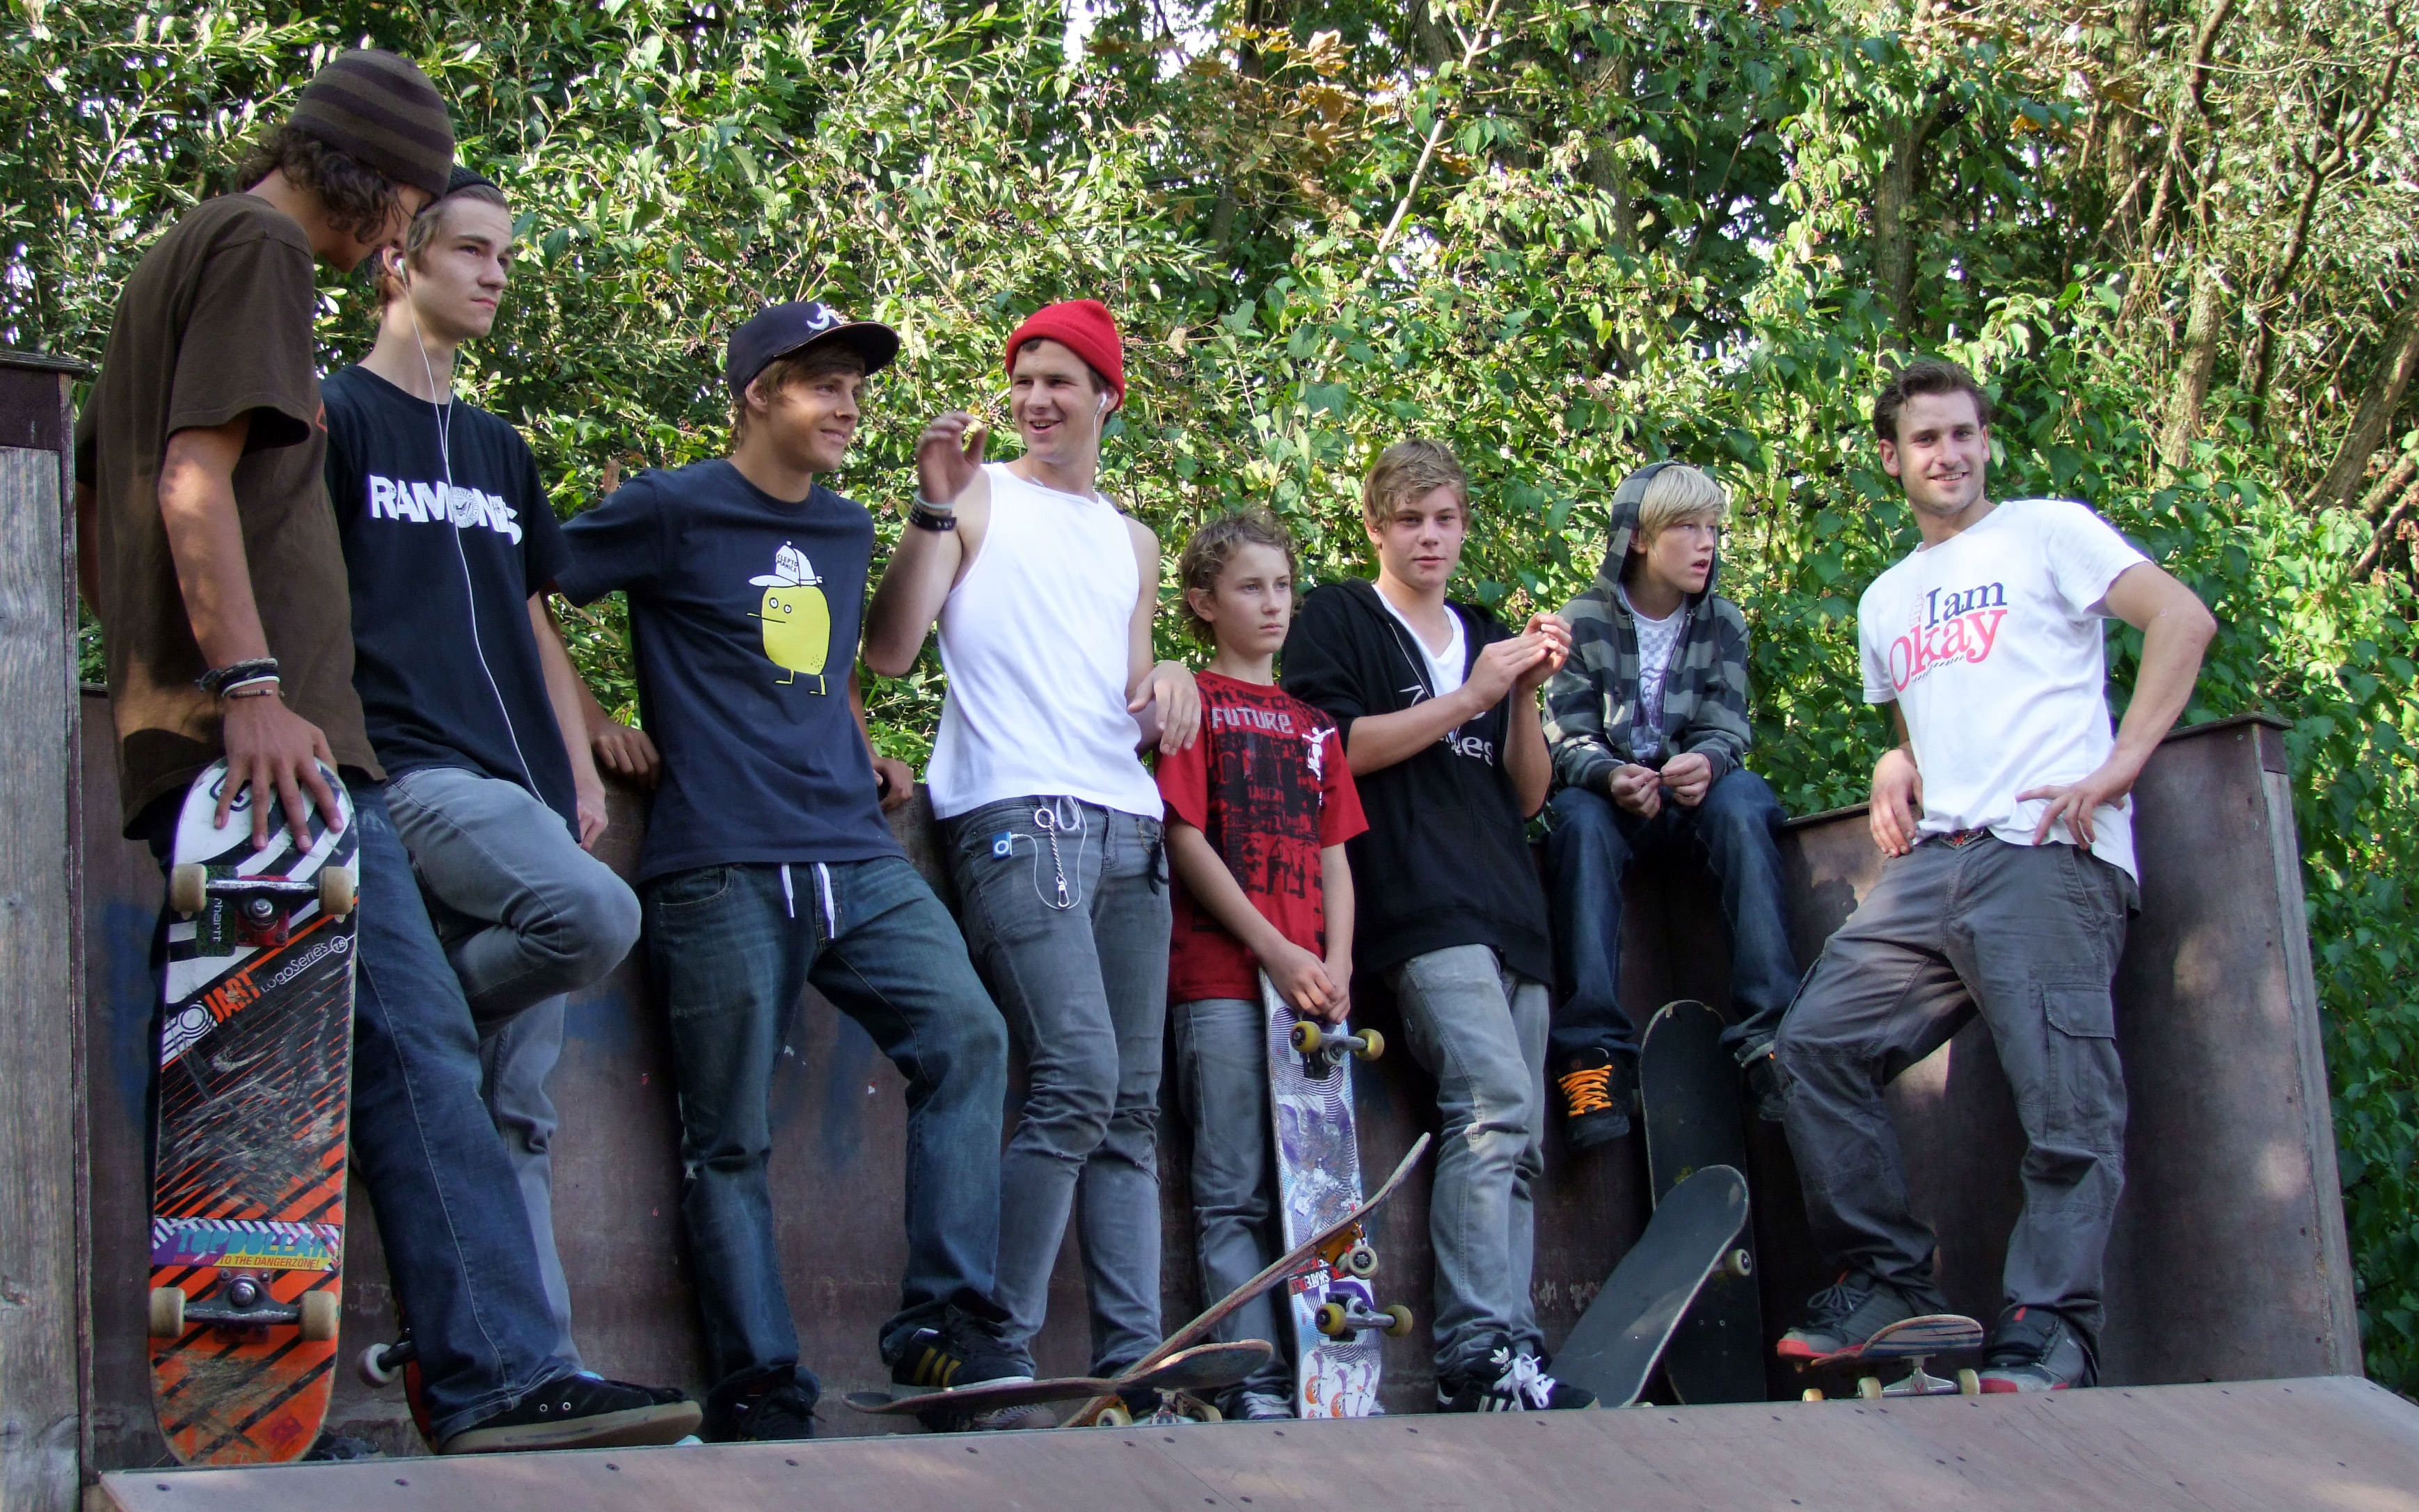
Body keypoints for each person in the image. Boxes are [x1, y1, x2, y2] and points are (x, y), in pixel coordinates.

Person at [72, 51, 697, 1454]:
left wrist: (161, 681)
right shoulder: (259, 250)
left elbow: (102, 505)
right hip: (282, 753)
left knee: (268, 1079)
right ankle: (498, 1370)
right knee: (414, 1049)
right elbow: (189, 477)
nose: (401, 236)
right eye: (414, 208)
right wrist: (247, 685)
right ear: (379, 187)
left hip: (208, 747)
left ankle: (304, 1406)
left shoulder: (171, 261)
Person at [556, 301, 1019, 1439]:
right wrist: (591, 723)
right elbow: (525, 583)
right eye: (824, 383)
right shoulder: (671, 506)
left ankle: (941, 1328)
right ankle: (758, 1381)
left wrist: (860, 737)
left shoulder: (846, 526)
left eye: (857, 385)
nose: (849, 404)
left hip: (854, 853)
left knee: (967, 1035)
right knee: (728, 1139)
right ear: (757, 393)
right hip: (720, 862)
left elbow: (840, 664)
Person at [1772, 358, 2214, 1392]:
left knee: (2066, 1103)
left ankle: (2049, 1327)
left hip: (2044, 851)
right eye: (1926, 439)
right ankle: (1888, 1282)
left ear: (1985, 443)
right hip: (1936, 865)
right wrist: (1895, 759)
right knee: (1813, 1045)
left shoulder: (2048, 531)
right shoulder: (1885, 599)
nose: (1949, 454)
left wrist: (2122, 763)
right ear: (1892, 459)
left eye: (1963, 433)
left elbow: (2182, 620)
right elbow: (1931, 719)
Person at [323, 165, 642, 1370]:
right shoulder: (336, 417)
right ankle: (407, 1045)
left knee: (515, 1112)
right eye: (471, 250)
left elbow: (530, 615)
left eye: (505, 254)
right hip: (405, 775)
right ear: (396, 261)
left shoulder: (501, 449)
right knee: (592, 914)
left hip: (522, 788)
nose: (497, 273)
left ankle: (533, 1369)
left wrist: (579, 767)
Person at [862, 298, 1203, 1415]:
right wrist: (932, 501)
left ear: (1108, 396)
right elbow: (890, 651)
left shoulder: (1133, 540)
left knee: (1131, 1109)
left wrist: (1174, 683)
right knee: (1076, 1077)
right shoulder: (974, 497)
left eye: (1060, 380)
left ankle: (1132, 1368)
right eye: (1024, 380)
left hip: (1128, 829)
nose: (1036, 399)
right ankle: (988, 1347)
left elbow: (1129, 700)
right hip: (1016, 818)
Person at [1281, 439, 1596, 1412]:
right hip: (1416, 901)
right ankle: (1474, 1350)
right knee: (1492, 1100)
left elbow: (1528, 793)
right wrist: (1472, 695)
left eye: (1445, 519)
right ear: (1374, 526)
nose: (1429, 536)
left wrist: (1525, 693)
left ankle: (1515, 1354)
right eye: (1410, 519)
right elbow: (1329, 751)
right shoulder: (1339, 616)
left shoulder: (1486, 631)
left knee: (1518, 1134)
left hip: (1511, 904)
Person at [1157, 509, 1366, 1422]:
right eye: (1249, 587)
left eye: (1282, 585)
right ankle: (1249, 1382)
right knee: (1232, 1193)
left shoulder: (1316, 727)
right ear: (1204, 602)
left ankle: (1331, 1376)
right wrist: (1273, 948)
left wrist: (1337, 961)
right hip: (1218, 983)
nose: (1272, 603)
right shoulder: (1192, 703)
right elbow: (1183, 836)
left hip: (1313, 995)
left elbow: (1334, 853)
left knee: (1322, 1199)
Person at [1541, 463, 1797, 1146]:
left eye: (1712, 527)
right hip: (1614, 802)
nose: (1705, 542)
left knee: (1746, 799)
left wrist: (1705, 762)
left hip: (1693, 802)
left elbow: (1726, 727)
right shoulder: (1581, 620)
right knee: (1575, 820)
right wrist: (1608, 775)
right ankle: (1591, 1054)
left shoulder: (1722, 622)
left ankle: (1770, 1037)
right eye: (1686, 527)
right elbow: (1564, 737)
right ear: (1640, 538)